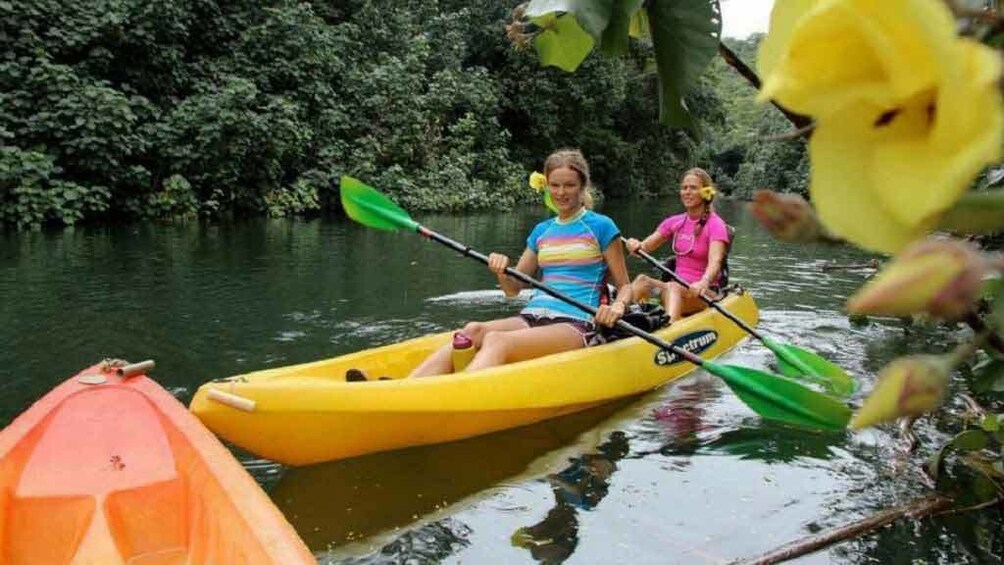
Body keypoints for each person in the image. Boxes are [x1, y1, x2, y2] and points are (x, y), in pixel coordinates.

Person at [408, 149, 633, 378]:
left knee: (497, 341)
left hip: (575, 322)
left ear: (582, 185)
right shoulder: (542, 231)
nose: (561, 192)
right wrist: (501, 270)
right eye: (555, 185)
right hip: (531, 316)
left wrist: (617, 307)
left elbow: (625, 286)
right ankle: (407, 388)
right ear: (547, 186)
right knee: (471, 331)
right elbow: (512, 289)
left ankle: (454, 393)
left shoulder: (601, 226)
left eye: (569, 185)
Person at [624, 167, 729, 324]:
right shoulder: (675, 222)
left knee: (673, 287)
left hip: (703, 293)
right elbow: (644, 248)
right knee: (642, 280)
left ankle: (669, 328)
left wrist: (703, 282)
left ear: (706, 192)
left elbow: (715, 262)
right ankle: (620, 320)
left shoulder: (716, 225)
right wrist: (634, 245)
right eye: (684, 188)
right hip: (675, 290)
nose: (687, 192)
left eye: (693, 188)